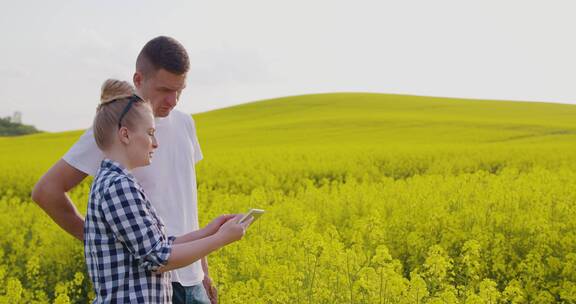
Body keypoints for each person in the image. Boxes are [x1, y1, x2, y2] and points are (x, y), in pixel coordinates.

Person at [32, 36, 223, 304]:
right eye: (165, 89)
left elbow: (185, 204)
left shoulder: (185, 124)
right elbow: (46, 191)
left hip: (190, 281)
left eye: (180, 90)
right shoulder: (113, 129)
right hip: (144, 280)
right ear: (138, 79)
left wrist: (204, 272)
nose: (174, 100)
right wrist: (98, 242)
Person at [84, 79, 251, 303]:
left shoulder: (119, 182)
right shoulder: (118, 186)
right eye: (150, 133)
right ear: (125, 135)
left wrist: (210, 231)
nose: (156, 143)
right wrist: (221, 239)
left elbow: (158, 245)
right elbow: (157, 258)